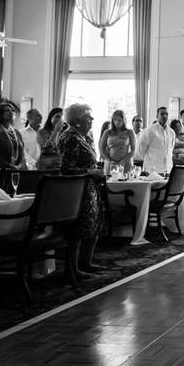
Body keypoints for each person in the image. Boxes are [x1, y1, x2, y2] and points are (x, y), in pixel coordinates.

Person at [57, 103, 107, 274]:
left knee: (93, 226)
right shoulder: (70, 137)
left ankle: (86, 263)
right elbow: (65, 169)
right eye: (89, 117)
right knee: (78, 230)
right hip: (78, 191)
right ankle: (73, 269)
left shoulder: (81, 137)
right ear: (78, 120)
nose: (92, 120)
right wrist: (91, 171)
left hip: (90, 189)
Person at [136, 107, 175, 175]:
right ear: (157, 116)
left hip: (168, 169)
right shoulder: (149, 130)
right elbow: (140, 149)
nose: (164, 116)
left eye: (166, 114)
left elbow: (171, 149)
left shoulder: (171, 132)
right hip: (152, 170)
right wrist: (149, 161)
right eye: (162, 114)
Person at [99, 110, 136, 175]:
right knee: (110, 183)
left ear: (123, 120)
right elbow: (102, 149)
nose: (117, 122)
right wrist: (110, 161)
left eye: (119, 120)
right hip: (110, 163)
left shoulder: (130, 132)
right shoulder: (107, 132)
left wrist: (123, 161)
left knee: (126, 183)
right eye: (115, 120)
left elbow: (133, 150)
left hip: (126, 163)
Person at [0, 100, 25, 170]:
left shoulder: (17, 133)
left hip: (17, 170)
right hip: (1, 171)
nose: (11, 112)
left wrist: (20, 165)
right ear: (0, 114)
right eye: (7, 110)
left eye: (12, 110)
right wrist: (10, 166)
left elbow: (22, 153)